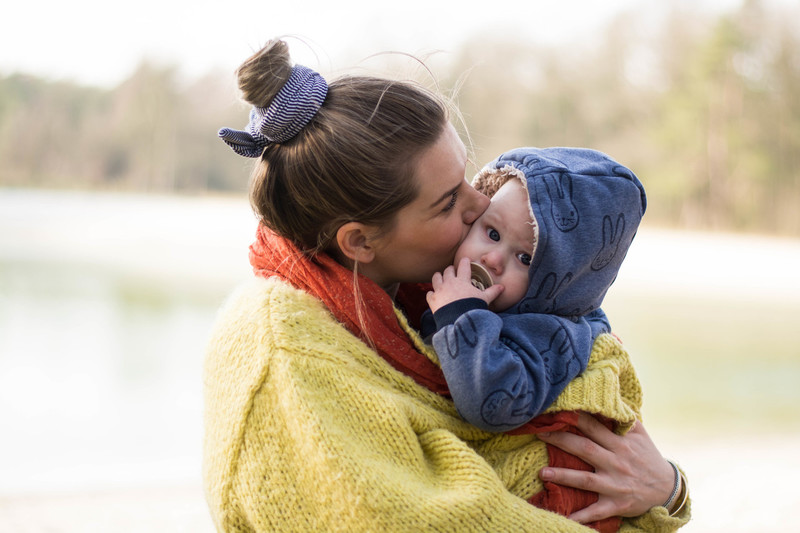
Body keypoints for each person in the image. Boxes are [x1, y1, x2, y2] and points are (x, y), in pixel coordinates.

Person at [203, 38, 691, 532]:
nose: (481, 205)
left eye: (469, 178)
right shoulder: (285, 355)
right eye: (447, 202)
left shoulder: (428, 302)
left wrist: (667, 487)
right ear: (359, 242)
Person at [422, 148, 684, 531]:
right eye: (490, 233)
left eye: (526, 259)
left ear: (564, 283)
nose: (493, 259)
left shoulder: (551, 331)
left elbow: (495, 404)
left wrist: (458, 317)